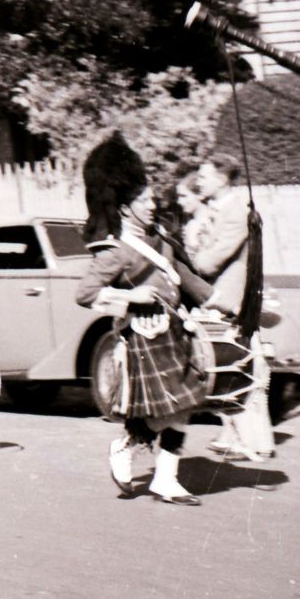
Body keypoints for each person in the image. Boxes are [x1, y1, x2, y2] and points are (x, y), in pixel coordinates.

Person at [76, 133, 214, 506]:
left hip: (175, 333)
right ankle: (126, 445)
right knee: (167, 410)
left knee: (185, 405)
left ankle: (165, 479)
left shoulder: (164, 242)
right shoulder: (116, 253)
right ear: (125, 208)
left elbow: (191, 282)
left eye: (153, 198)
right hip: (144, 338)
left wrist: (232, 305)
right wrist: (130, 297)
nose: (154, 205)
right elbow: (84, 294)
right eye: (145, 200)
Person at [192, 154, 276, 461]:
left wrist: (189, 256)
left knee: (242, 367)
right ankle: (245, 438)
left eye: (204, 175)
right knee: (238, 367)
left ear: (222, 178)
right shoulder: (220, 210)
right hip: (224, 297)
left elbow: (210, 260)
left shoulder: (236, 212)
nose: (199, 180)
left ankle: (253, 440)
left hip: (229, 299)